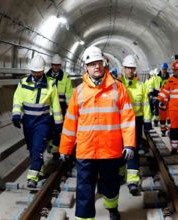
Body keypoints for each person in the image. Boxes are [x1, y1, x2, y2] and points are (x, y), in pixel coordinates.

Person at [59, 46, 136, 220]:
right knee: (84, 188)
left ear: (104, 64)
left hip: (110, 150)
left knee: (110, 184)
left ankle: (112, 207)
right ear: (86, 67)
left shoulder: (118, 89)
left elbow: (128, 119)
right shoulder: (78, 92)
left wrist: (130, 143)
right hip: (86, 150)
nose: (96, 67)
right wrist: (65, 147)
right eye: (92, 64)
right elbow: (70, 122)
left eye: (98, 63)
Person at [12, 55, 62, 188]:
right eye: (34, 72)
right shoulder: (23, 83)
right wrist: (16, 115)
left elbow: (56, 105)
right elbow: (17, 100)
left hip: (43, 121)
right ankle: (38, 168)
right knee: (31, 148)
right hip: (27, 121)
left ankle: (32, 177)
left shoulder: (50, 84)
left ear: (43, 70)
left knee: (37, 147)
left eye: (38, 72)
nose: (36, 74)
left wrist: (58, 123)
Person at [120, 54, 152, 196]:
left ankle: (132, 181)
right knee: (120, 149)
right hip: (120, 122)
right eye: (128, 68)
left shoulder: (141, 86)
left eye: (132, 69)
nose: (130, 71)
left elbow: (146, 105)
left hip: (136, 121)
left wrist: (147, 122)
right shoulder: (118, 85)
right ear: (124, 68)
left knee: (133, 149)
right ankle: (121, 173)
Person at [45, 54, 73, 163]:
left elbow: (69, 94)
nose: (56, 67)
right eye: (54, 65)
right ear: (52, 65)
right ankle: (52, 147)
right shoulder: (46, 77)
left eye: (58, 65)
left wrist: (69, 110)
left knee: (58, 130)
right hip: (49, 109)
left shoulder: (65, 77)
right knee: (49, 130)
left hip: (61, 108)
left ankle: (55, 151)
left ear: (60, 65)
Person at [158, 63, 170, 136]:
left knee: (169, 117)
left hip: (168, 100)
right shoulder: (157, 77)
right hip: (160, 99)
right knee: (162, 117)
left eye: (165, 69)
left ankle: (169, 130)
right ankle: (163, 131)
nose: (164, 70)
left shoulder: (169, 78)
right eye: (163, 69)